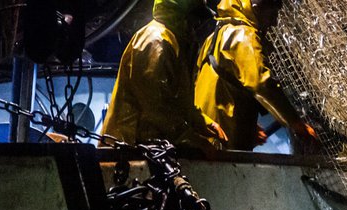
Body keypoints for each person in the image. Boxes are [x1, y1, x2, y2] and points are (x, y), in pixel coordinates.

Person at [101, 0, 227, 149]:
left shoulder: (176, 41)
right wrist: (193, 140)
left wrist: (204, 122)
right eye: (195, 16)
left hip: (148, 149)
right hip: (128, 150)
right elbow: (157, 108)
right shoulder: (156, 41)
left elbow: (180, 103)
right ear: (183, 15)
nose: (197, 24)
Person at [194, 0, 318, 151]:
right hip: (222, 144)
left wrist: (248, 127)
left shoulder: (216, 34)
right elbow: (262, 84)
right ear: (257, 8)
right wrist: (297, 124)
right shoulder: (243, 35)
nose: (274, 22)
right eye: (273, 14)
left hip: (205, 138)